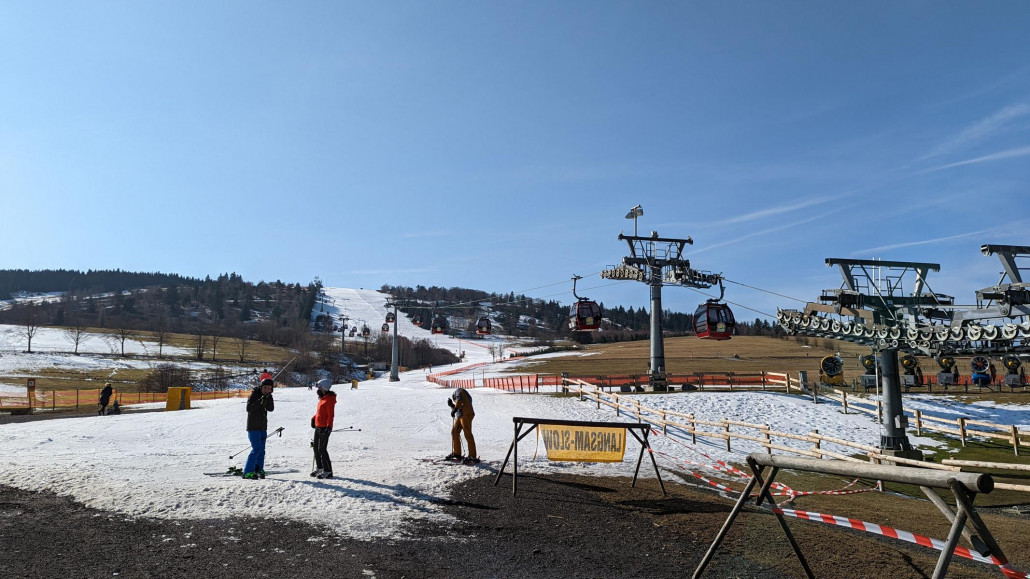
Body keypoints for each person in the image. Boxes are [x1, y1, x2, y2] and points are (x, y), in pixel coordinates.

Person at [243, 378, 275, 480]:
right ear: (261, 387)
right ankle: (247, 472)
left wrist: (268, 398)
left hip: (263, 427)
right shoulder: (254, 395)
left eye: (269, 388)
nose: (267, 390)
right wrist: (259, 401)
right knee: (256, 449)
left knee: (262, 451)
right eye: (265, 388)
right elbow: (249, 408)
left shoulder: (268, 396)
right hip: (253, 427)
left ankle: (258, 469)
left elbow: (271, 408)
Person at [310, 379, 337, 479]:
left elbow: (331, 415)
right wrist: (313, 418)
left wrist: (329, 427)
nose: (318, 389)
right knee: (316, 448)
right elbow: (320, 412)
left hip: (325, 427)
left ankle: (328, 471)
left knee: (322, 449)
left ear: (325, 388)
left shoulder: (329, 399)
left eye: (320, 387)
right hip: (318, 426)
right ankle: (320, 468)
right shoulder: (323, 398)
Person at [446, 387, 479, 464]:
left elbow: (459, 401)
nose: (455, 401)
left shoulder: (459, 391)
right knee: (454, 432)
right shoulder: (462, 396)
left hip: (466, 414)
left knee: (467, 434)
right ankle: (457, 453)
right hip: (460, 415)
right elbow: (459, 405)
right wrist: (452, 405)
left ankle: (472, 456)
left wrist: (454, 409)